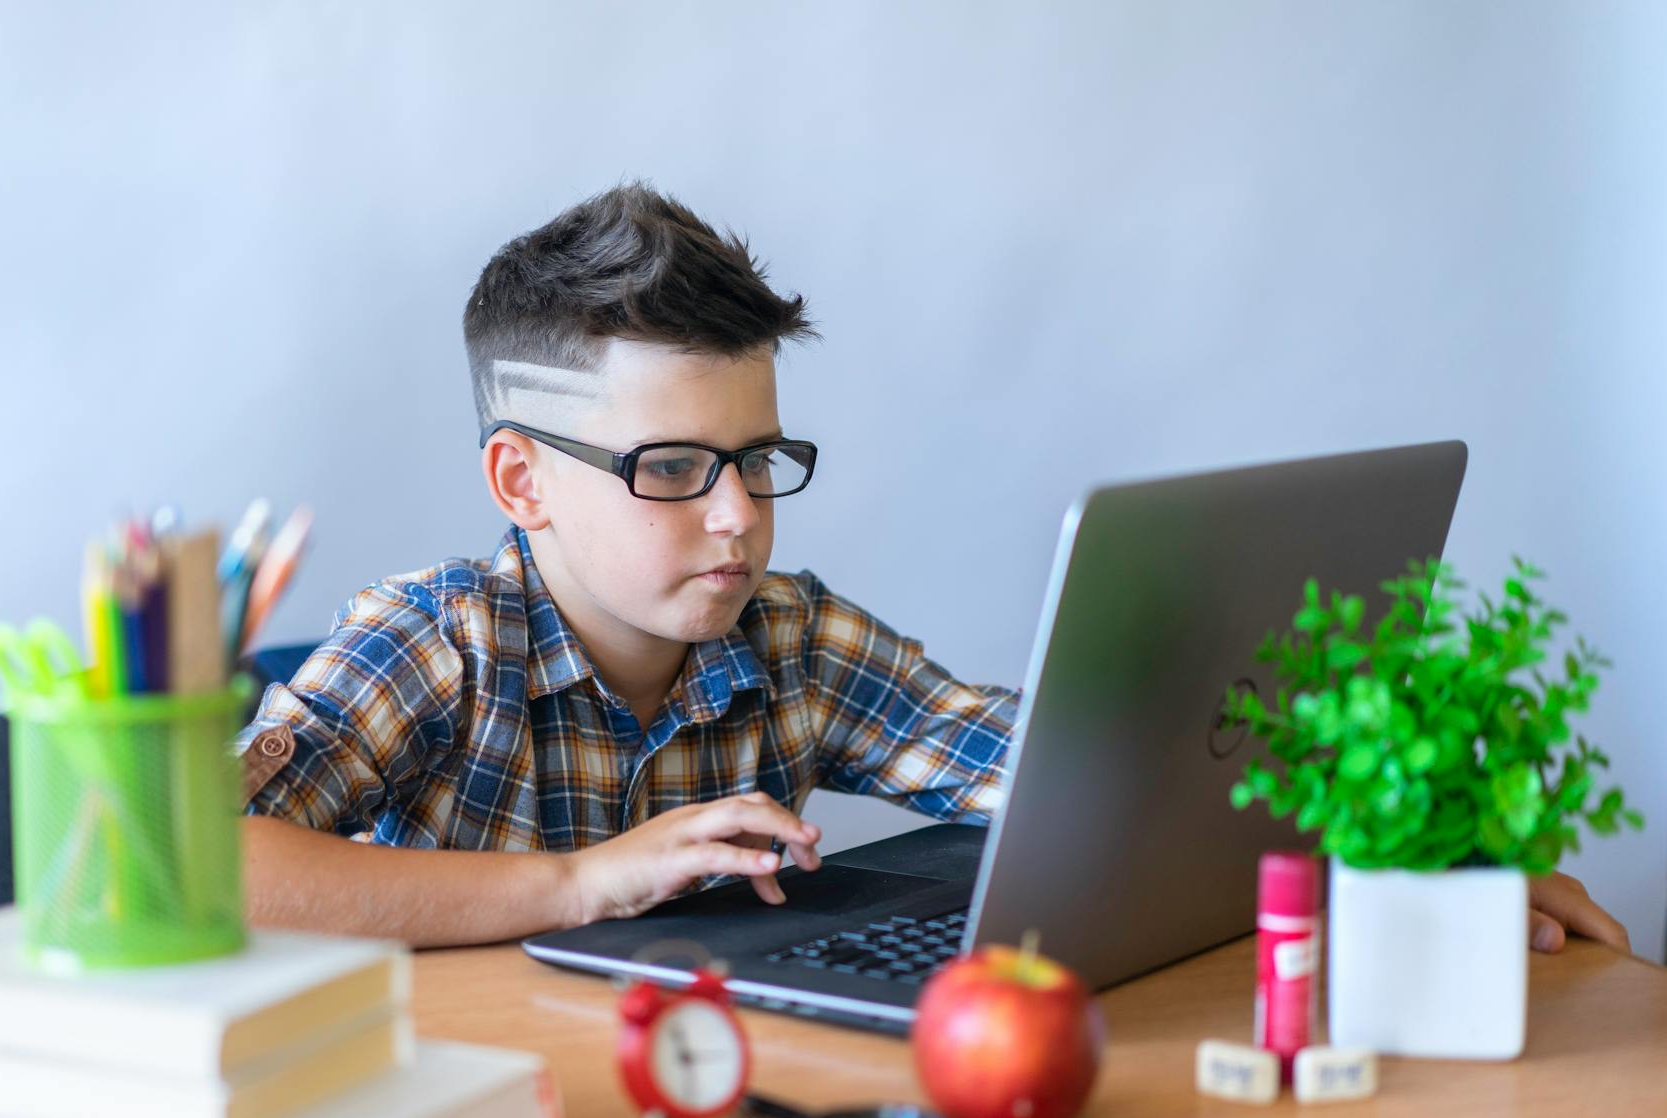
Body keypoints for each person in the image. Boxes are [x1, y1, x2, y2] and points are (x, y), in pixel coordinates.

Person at [234, 182, 1629, 958]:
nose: (735, 519)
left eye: (758, 458)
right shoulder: (441, 640)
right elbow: (206, 869)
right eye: (671, 468)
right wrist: (582, 880)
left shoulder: (785, 641)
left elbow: (1082, 770)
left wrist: (1429, 855)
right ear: (522, 482)